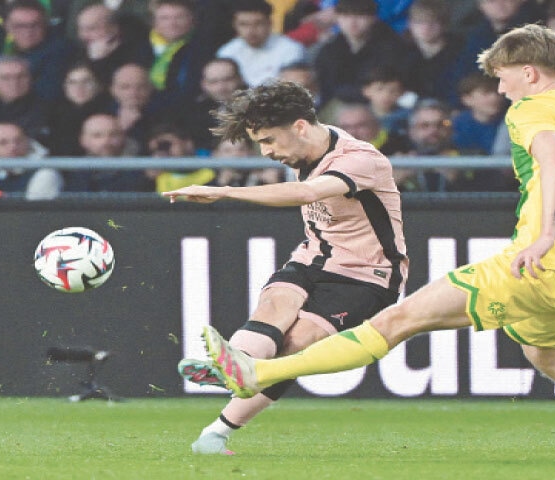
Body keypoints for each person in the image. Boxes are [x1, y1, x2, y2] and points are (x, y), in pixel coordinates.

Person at [182, 24, 555, 459]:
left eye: (501, 77)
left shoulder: (532, 110)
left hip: (533, 265)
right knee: (547, 353)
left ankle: (259, 372)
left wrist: (545, 235)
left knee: (394, 323)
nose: (498, 89)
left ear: (528, 71)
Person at [162, 80, 408, 455]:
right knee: (274, 305)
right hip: (313, 256)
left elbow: (307, 193)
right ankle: (231, 368)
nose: (266, 152)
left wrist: (223, 191)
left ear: (299, 126)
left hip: (365, 274)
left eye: (269, 140)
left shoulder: (360, 159)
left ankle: (219, 425)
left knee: (295, 344)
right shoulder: (304, 149)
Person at [313, 0, 412, 105]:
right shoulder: (329, 50)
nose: (352, 23)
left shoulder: (394, 47)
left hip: (380, 106)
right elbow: (324, 87)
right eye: (346, 16)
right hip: (335, 104)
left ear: (373, 18)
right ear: (337, 18)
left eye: (360, 16)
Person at [216, 0, 306, 87]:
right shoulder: (227, 52)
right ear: (234, 25)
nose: (250, 31)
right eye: (244, 24)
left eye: (258, 23)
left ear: (270, 23)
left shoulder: (291, 49)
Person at [72, 2, 153, 89]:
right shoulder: (81, 48)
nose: (84, 36)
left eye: (91, 29)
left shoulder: (140, 48)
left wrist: (100, 62)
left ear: (114, 28)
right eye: (81, 29)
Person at [402, 0, 464, 104]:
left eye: (432, 22)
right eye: (419, 22)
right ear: (410, 24)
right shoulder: (401, 52)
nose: (426, 28)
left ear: (444, 24)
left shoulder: (460, 50)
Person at [0, 121, 61, 200]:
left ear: (28, 142)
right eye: (3, 143)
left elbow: (35, 210)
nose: (13, 147)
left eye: (18, 141)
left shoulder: (44, 174)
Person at [46, 62, 111, 156]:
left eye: (86, 82)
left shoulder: (109, 114)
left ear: (98, 85)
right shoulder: (53, 115)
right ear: (65, 87)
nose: (79, 87)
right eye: (72, 82)